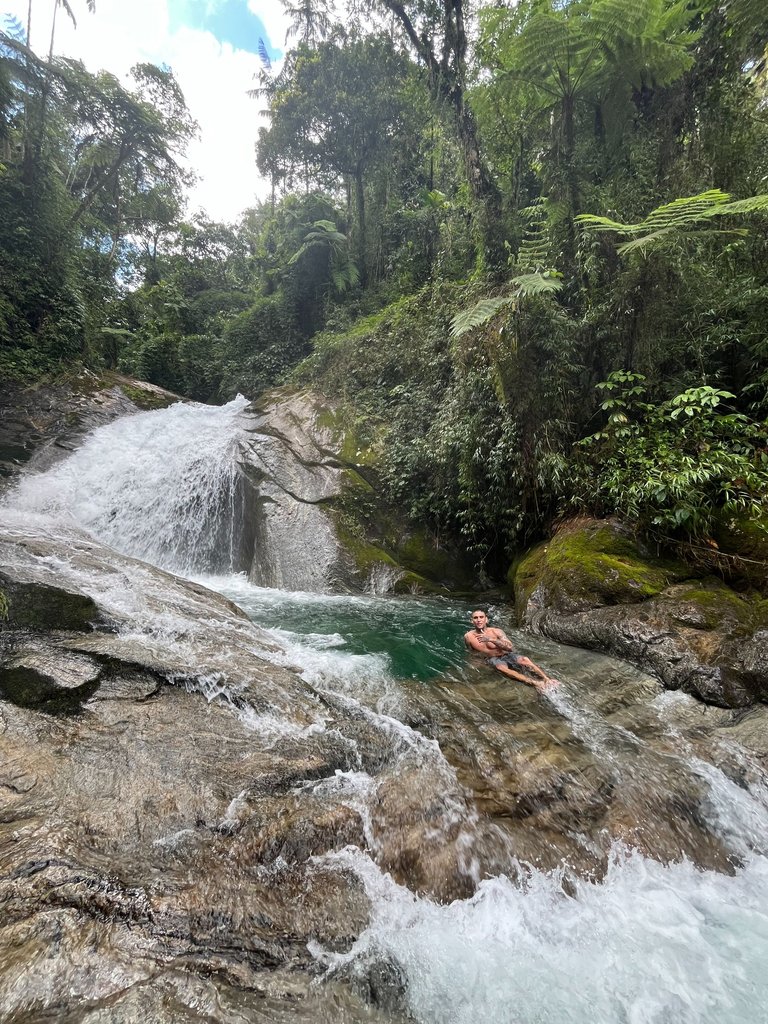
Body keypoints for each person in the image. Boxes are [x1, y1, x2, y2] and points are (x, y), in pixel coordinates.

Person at [464, 609, 560, 692]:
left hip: (507, 654)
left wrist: (491, 639)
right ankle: (534, 682)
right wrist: (476, 663)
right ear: (472, 621)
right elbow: (472, 651)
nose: (479, 620)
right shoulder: (468, 637)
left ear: (486, 619)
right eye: (475, 618)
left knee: (524, 659)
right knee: (500, 667)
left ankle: (546, 679)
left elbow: (509, 647)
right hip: (492, 658)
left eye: (481, 617)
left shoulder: (496, 631)